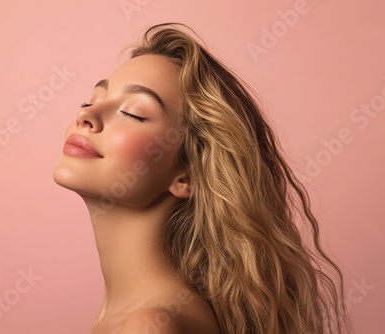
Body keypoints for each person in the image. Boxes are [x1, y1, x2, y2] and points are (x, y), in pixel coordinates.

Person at [53, 23, 351, 334]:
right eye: (91, 100)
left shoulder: (149, 326)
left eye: (133, 112)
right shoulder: (138, 316)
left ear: (187, 175)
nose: (85, 115)